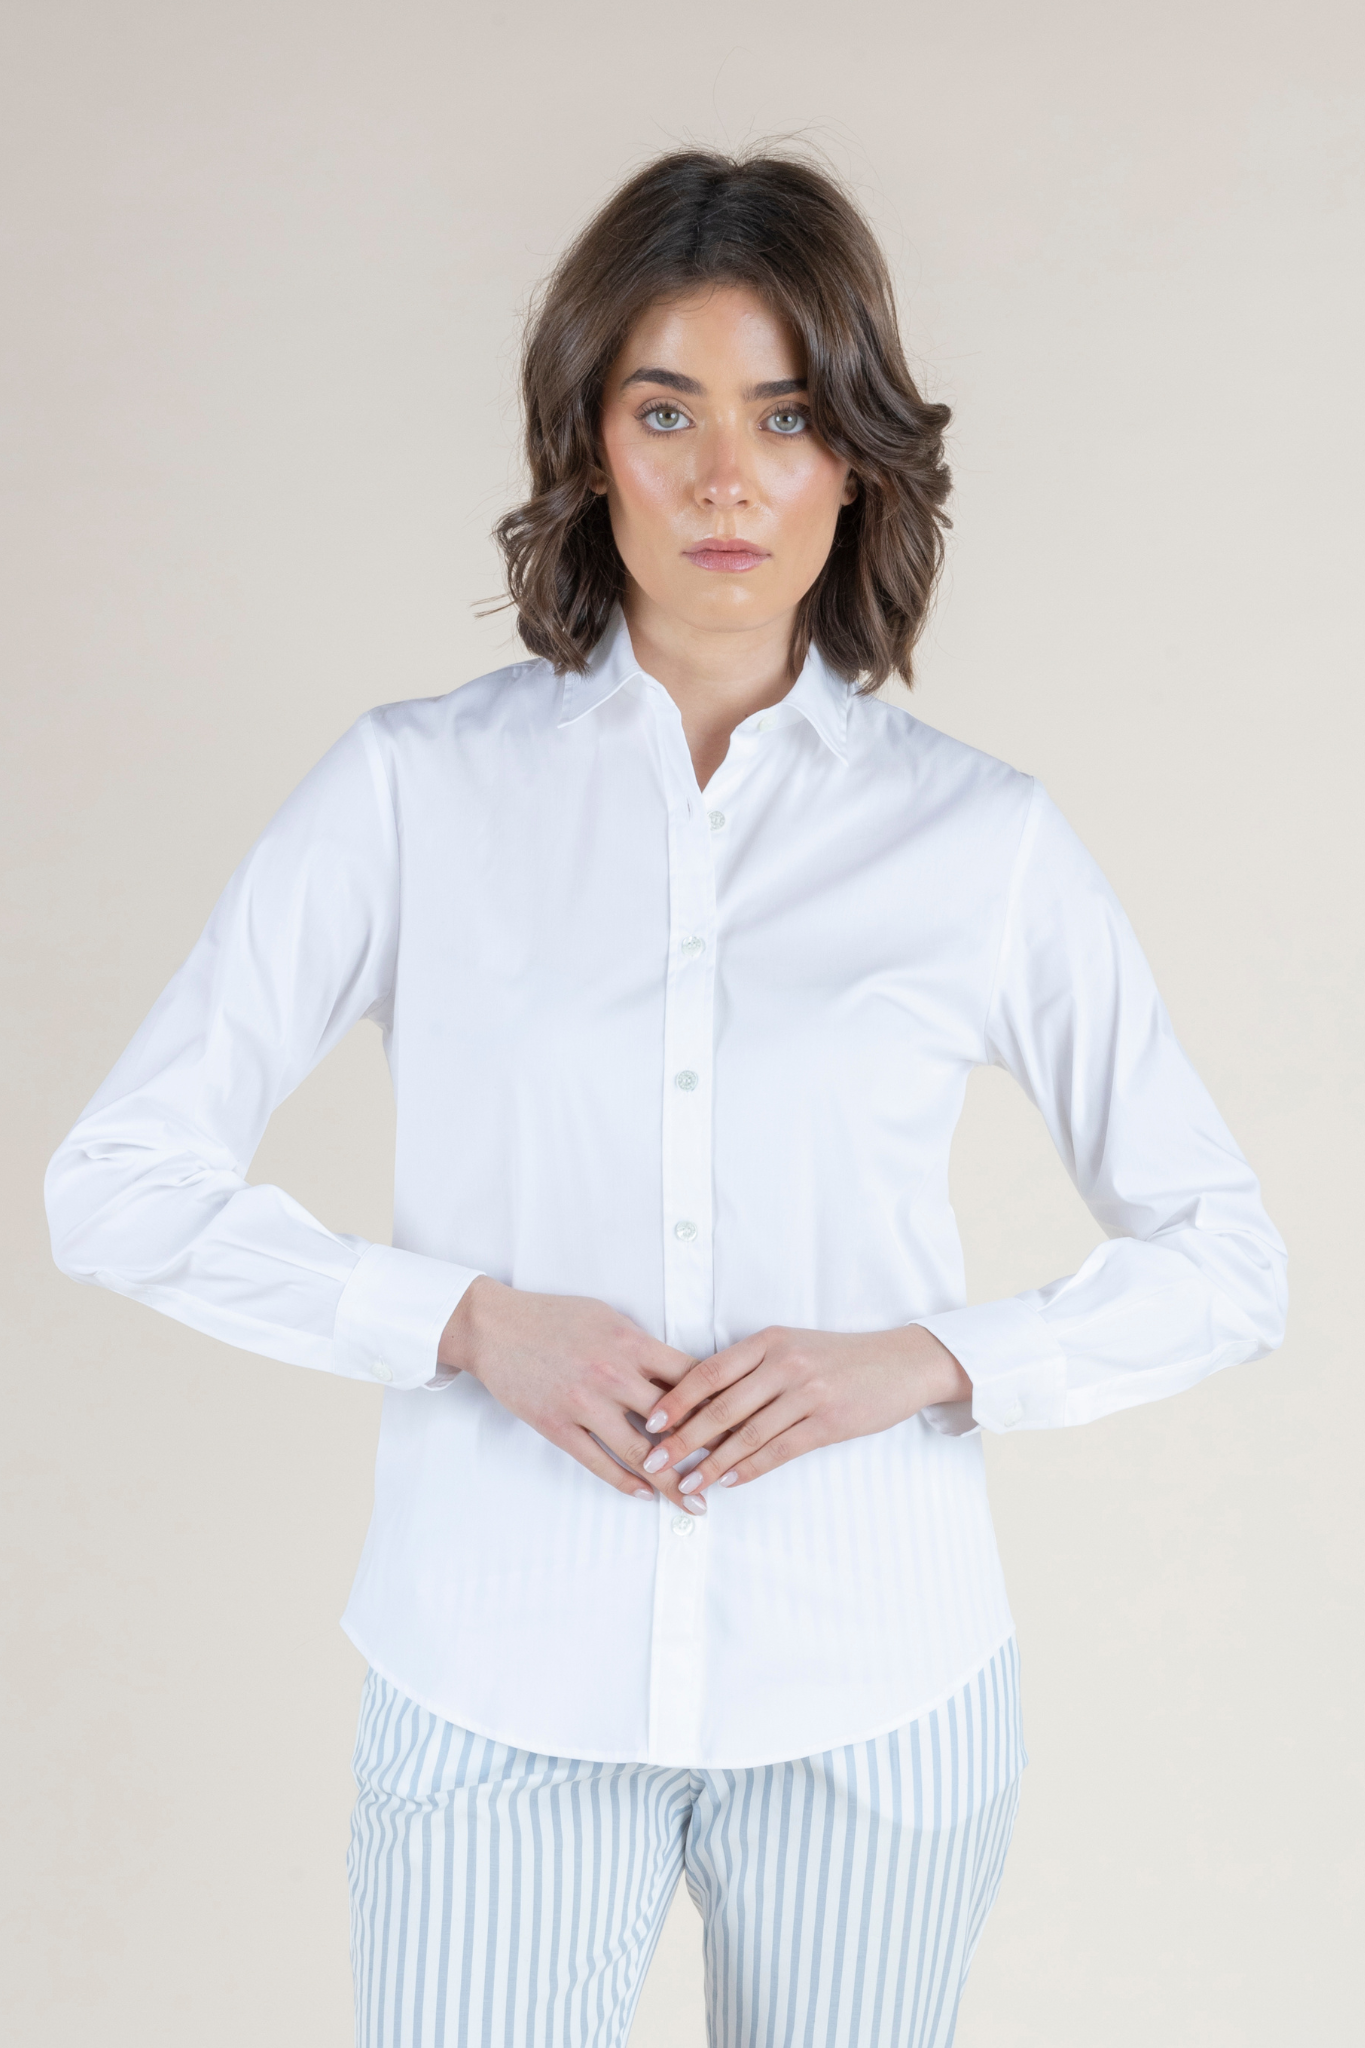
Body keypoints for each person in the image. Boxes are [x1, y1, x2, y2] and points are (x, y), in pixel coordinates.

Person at [44, 148, 1288, 2048]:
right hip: (496, 1671)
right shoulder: (412, 795)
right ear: (587, 444)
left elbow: (1225, 1260)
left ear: (856, 459)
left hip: (878, 1687)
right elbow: (117, 1181)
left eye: (785, 416)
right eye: (665, 410)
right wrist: (464, 1322)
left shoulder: (983, 842)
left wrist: (925, 1363)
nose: (726, 478)